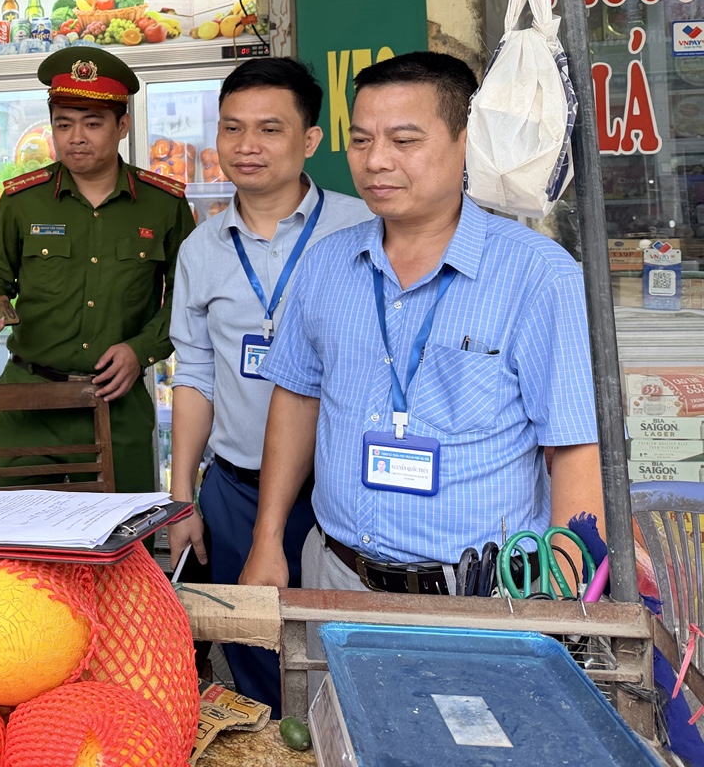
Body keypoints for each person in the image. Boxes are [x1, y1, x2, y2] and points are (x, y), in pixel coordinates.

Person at [239, 51, 602, 602]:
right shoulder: (325, 265)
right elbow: (296, 399)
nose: (376, 160)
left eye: (404, 141)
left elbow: (573, 444)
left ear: (466, 140)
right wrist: (267, 539)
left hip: (485, 594)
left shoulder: (537, 275)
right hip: (337, 576)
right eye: (361, 140)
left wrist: (563, 591)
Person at [166, 58, 372, 712]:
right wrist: (181, 499)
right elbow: (195, 375)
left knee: (343, 655)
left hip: (339, 494)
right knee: (253, 653)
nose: (247, 146)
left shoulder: (361, 229)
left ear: (309, 140)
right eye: (233, 129)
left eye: (269, 129)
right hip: (234, 490)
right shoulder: (201, 249)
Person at [0, 46, 195, 493]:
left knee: (121, 551)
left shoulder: (164, 204)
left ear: (122, 125)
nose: (76, 137)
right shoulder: (21, 200)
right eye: (63, 124)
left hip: (117, 406)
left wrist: (142, 350)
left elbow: (188, 301)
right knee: (20, 551)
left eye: (92, 123)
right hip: (30, 406)